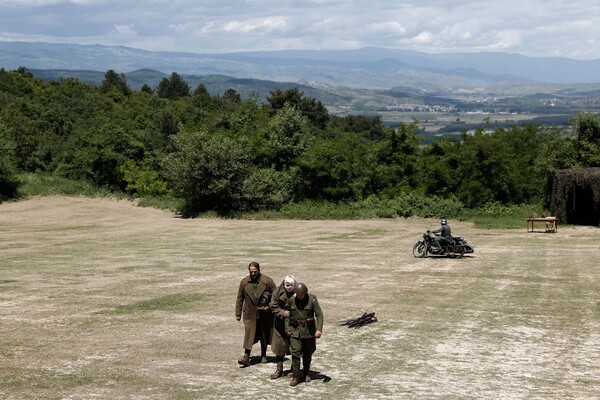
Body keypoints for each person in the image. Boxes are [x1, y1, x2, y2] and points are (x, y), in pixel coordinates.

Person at [235, 261, 276, 367]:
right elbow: (240, 298)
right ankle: (246, 356)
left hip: (264, 314)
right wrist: (238, 313)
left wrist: (269, 307)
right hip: (249, 314)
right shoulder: (244, 282)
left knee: (263, 334)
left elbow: (276, 295)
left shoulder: (267, 281)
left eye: (255, 271)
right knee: (249, 334)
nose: (253, 274)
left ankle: (263, 355)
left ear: (259, 270)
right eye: (251, 272)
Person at [285, 282, 323, 386]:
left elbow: (319, 315)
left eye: (301, 295)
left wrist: (319, 329)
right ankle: (296, 376)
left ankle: (306, 373)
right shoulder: (291, 300)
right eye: (298, 294)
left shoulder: (312, 300)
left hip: (308, 331)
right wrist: (287, 328)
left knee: (307, 353)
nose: (299, 296)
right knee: (295, 353)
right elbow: (287, 314)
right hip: (295, 331)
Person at [268, 274, 297, 379]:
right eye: (287, 285)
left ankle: (295, 369)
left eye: (291, 286)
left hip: (294, 323)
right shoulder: (277, 291)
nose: (288, 287)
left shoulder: (298, 290)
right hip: (280, 322)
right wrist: (282, 312)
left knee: (295, 346)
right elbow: (272, 305)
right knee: (279, 347)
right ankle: (279, 369)